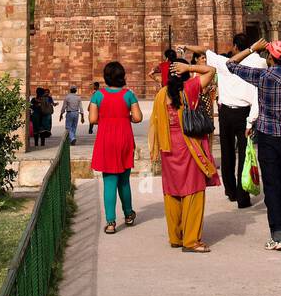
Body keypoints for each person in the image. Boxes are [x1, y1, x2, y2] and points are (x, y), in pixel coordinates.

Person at [221, 37, 281, 251]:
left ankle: (278, 234)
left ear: (269, 57)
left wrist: (252, 48)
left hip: (268, 135)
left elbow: (230, 64)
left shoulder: (262, 76)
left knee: (272, 184)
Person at [178, 33, 262, 209]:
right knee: (245, 154)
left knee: (228, 152)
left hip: (226, 113)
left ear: (236, 47)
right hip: (246, 113)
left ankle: (231, 191)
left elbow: (204, 50)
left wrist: (186, 47)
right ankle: (242, 196)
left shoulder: (224, 63)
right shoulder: (258, 62)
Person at [149, 59, 219, 252]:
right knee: (193, 190)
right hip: (189, 146)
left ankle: (176, 236)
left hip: (168, 147)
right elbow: (211, 71)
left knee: (172, 191)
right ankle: (191, 240)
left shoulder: (162, 94)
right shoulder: (190, 88)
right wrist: (189, 67)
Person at [89, 61, 143, 234]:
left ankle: (111, 222)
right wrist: (124, 117)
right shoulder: (128, 95)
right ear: (122, 76)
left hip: (106, 139)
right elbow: (138, 117)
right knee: (124, 180)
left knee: (109, 181)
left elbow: (92, 119)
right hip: (124, 138)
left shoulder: (98, 95)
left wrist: (106, 119)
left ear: (106, 77)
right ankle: (128, 214)